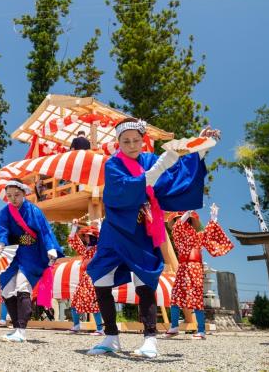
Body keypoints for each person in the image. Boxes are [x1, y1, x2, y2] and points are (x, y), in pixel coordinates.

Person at [86, 118, 219, 358]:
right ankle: (111, 336)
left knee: (144, 281)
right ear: (119, 142)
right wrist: (159, 168)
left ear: (142, 140)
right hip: (116, 230)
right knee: (101, 279)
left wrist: (201, 147)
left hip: (142, 230)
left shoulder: (148, 158)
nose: (132, 145)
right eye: (126, 141)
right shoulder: (113, 164)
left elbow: (177, 175)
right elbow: (122, 191)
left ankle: (150, 339)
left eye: (136, 140)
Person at [0, 178, 64, 342]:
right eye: (9, 195)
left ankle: (22, 331)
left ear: (24, 193)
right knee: (8, 290)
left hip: (31, 253)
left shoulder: (33, 210)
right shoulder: (4, 213)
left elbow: (45, 231)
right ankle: (17, 328)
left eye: (17, 194)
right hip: (12, 254)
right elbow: (1, 231)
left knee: (22, 285)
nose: (13, 198)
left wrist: (50, 247)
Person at [164, 206, 233, 340]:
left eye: (183, 218)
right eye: (179, 218)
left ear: (189, 220)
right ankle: (174, 326)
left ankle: (201, 330)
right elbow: (178, 226)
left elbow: (208, 235)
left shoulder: (197, 235)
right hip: (183, 266)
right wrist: (188, 211)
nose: (180, 221)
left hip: (194, 267)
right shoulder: (177, 232)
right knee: (176, 295)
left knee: (196, 297)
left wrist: (213, 219)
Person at [67, 222, 104, 336]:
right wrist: (74, 227)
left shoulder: (99, 248)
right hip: (84, 279)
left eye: (89, 236)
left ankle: (100, 329)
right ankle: (76, 325)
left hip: (93, 278)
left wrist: (100, 226)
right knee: (74, 301)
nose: (86, 238)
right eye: (86, 236)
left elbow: (105, 241)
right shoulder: (85, 249)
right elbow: (73, 241)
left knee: (93, 303)